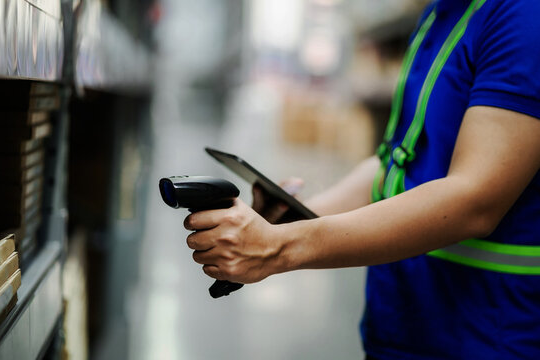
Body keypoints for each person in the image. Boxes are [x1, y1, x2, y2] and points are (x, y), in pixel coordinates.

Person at [182, 0, 540, 358]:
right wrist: (299, 216)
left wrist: (281, 247)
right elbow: (398, 163)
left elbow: (476, 201)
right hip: (405, 324)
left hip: (486, 333)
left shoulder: (524, 14)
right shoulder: (441, 13)